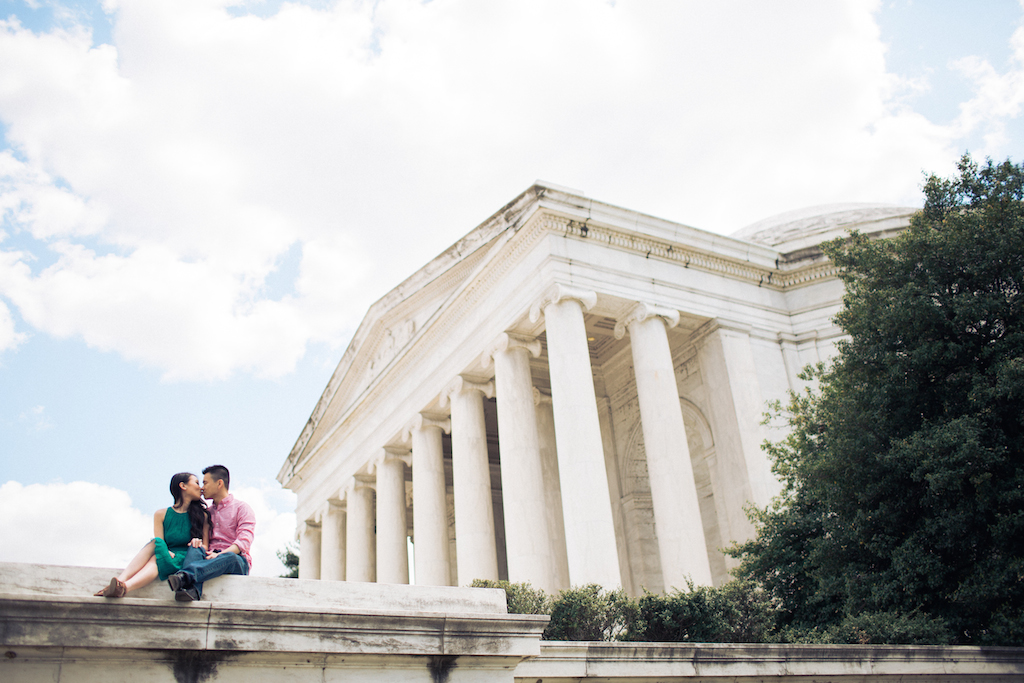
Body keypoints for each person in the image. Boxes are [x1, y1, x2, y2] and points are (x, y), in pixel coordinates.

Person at [95, 472, 210, 598]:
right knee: (156, 545)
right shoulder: (161, 514)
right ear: (183, 486)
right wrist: (166, 551)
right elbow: (159, 542)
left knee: (157, 556)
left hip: (185, 558)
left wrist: (197, 543)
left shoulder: (202, 515)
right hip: (167, 554)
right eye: (197, 483)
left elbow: (205, 547)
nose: (201, 488)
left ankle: (122, 585)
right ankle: (121, 583)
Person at [168, 464, 255, 601]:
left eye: (205, 483)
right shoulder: (206, 513)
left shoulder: (242, 508)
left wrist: (220, 555)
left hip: (235, 560)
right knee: (195, 548)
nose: (202, 488)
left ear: (219, 483)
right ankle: (193, 591)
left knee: (230, 557)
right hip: (208, 556)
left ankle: (185, 576)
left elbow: (244, 541)